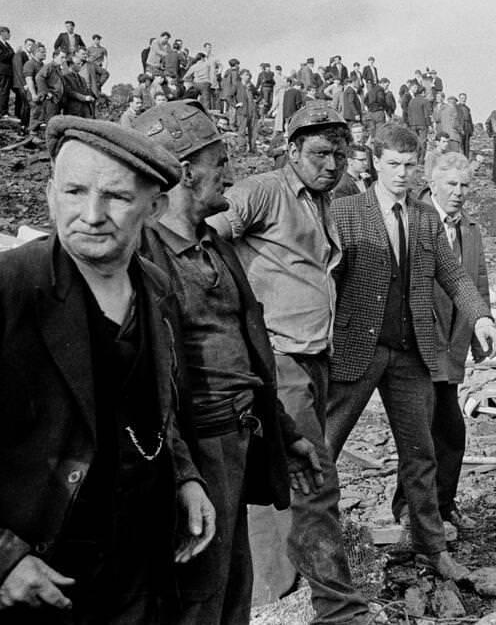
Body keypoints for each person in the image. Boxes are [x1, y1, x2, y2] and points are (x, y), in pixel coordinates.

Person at [0, 116, 215, 623]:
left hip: (131, 584)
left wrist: (184, 479)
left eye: (117, 197)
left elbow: (154, 408)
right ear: (49, 194)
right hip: (18, 594)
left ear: (156, 208)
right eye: (74, 191)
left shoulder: (158, 289)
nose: (91, 214)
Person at [133, 101, 325, 624]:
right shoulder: (143, 256)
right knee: (199, 593)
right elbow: (146, 384)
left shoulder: (213, 244)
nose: (230, 174)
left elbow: (251, 356)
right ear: (185, 170)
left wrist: (286, 434)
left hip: (242, 438)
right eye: (219, 162)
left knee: (235, 583)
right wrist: (181, 474)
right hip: (194, 449)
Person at [208, 103, 375, 623]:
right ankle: (338, 608)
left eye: (340, 155)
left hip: (314, 355)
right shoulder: (265, 190)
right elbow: (203, 231)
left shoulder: (328, 200)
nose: (332, 164)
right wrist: (230, 310)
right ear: (292, 150)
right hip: (281, 359)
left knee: (275, 476)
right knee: (314, 478)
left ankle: (266, 590)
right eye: (321, 153)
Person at [327, 127, 496, 581]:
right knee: (324, 447)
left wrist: (481, 317)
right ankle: (311, 552)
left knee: (421, 454)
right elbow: (323, 277)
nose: (402, 174)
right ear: (375, 164)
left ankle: (431, 548)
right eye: (393, 165)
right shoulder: (344, 212)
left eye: (409, 165)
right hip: (356, 347)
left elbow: (455, 276)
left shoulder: (424, 217)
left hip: (411, 353)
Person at [390, 151, 495, 533]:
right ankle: (408, 508)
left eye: (465, 185)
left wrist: (481, 328)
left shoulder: (470, 230)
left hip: (453, 344)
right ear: (432, 183)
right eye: (451, 184)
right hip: (418, 343)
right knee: (424, 430)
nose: (459, 192)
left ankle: (443, 504)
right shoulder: (413, 220)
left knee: (449, 431)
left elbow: (476, 282)